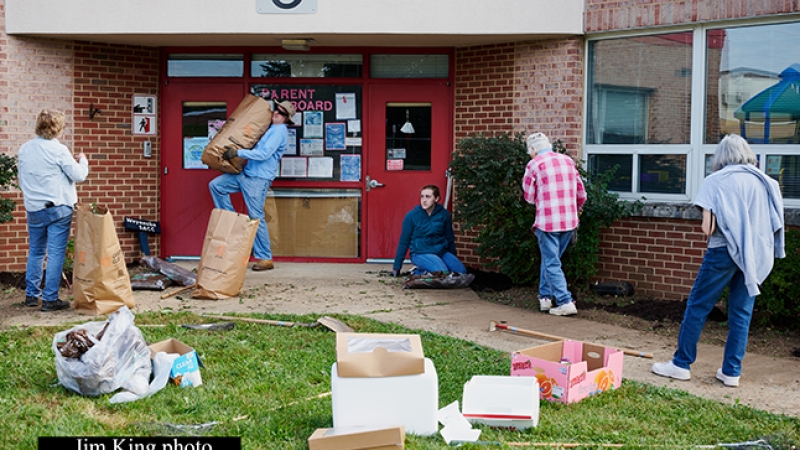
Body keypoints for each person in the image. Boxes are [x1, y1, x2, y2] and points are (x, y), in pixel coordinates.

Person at [652, 134, 784, 387]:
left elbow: (708, 228)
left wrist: (714, 216)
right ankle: (732, 371)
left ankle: (681, 364)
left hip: (723, 252)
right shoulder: (767, 182)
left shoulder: (715, 181)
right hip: (755, 256)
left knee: (698, 306)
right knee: (741, 314)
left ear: (721, 156)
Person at [209, 99, 296, 271]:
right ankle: (233, 221)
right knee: (216, 186)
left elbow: (264, 154)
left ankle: (265, 258)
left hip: (258, 179)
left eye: (282, 113)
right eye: (276, 109)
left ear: (287, 118)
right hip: (247, 174)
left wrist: (237, 152)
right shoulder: (271, 128)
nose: (277, 113)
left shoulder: (279, 131)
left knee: (256, 217)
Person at [18, 109, 89, 312]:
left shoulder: (25, 149)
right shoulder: (59, 150)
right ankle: (50, 299)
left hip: (34, 208)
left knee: (36, 251)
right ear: (58, 128)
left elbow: (22, 178)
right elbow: (78, 175)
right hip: (58, 209)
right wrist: (83, 159)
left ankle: (32, 295)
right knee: (56, 253)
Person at [522, 132, 586, 316]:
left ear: (533, 149)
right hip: (569, 220)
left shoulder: (534, 164)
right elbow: (581, 193)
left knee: (551, 262)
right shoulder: (567, 161)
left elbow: (528, 196)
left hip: (547, 221)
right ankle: (545, 298)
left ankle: (565, 301)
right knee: (551, 259)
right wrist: (576, 210)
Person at [391, 185, 467, 277]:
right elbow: (404, 242)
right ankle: (417, 272)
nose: (424, 200)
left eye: (428, 197)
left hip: (441, 252)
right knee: (442, 273)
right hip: (420, 253)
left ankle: (426, 270)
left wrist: (453, 258)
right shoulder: (412, 216)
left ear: (436, 198)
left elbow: (449, 238)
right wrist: (396, 267)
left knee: (461, 273)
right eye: (422, 196)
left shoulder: (444, 214)